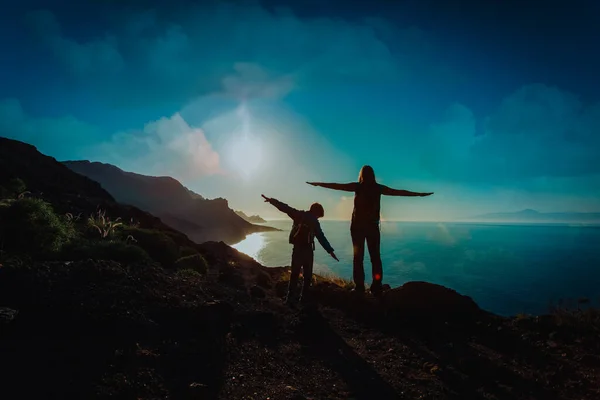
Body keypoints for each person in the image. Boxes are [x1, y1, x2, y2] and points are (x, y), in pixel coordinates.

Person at [307, 165, 433, 296]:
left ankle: (359, 287)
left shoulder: (358, 187)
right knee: (375, 258)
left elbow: (337, 186)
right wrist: (418, 194)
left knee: (358, 258)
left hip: (357, 228)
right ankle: (376, 287)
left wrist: (319, 184)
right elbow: (398, 192)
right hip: (372, 227)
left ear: (361, 174)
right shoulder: (378, 188)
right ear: (373, 175)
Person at [261, 194, 339, 306]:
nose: (318, 218)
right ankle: (304, 299)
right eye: (318, 216)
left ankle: (290, 299)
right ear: (317, 212)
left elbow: (285, 208)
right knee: (307, 277)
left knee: (294, 275)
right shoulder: (314, 222)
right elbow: (321, 237)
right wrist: (330, 251)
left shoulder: (298, 215)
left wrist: (272, 201)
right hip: (308, 251)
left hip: (297, 249)